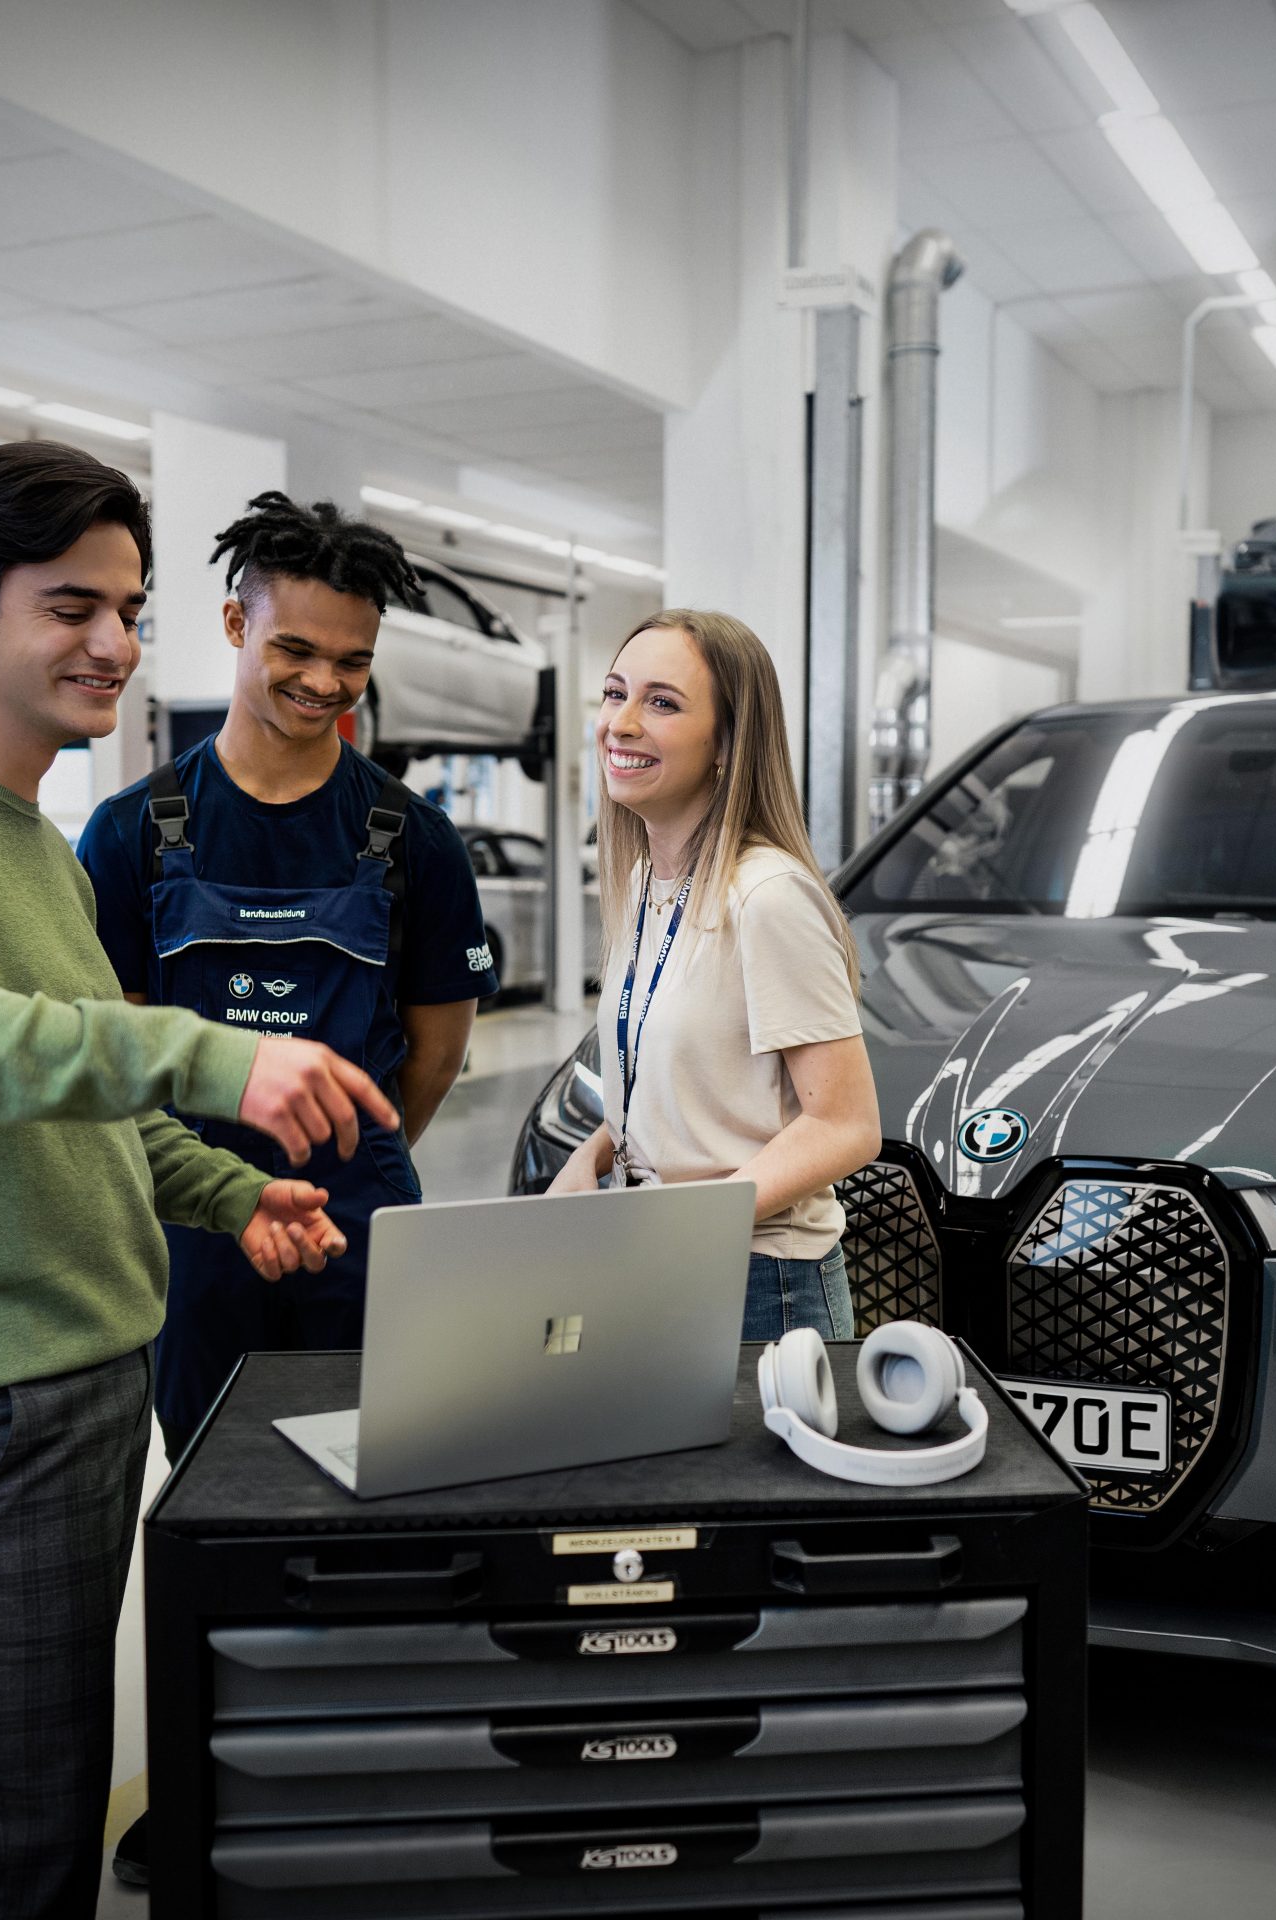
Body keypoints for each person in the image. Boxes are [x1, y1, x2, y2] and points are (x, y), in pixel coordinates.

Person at [0, 442, 397, 1920]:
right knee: (27, 1813)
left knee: (3, 1769)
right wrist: (210, 1057)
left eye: (129, 607)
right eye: (71, 606)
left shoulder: (36, 848)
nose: (115, 643)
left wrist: (235, 1194)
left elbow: (79, 1094)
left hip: (73, 1365)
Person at [80, 490, 498, 1462]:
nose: (325, 682)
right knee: (212, 1476)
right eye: (297, 651)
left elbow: (435, 1056)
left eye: (353, 661)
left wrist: (352, 1155)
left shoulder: (414, 841)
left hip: (361, 1229)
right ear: (236, 623)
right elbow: (117, 1053)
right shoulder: (133, 833)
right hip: (191, 1236)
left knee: (381, 1465)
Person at [547, 608, 881, 1342]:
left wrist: (686, 1228)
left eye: (661, 703)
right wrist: (592, 1153)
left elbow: (848, 1126)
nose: (621, 723)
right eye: (614, 694)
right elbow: (675, 1087)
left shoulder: (765, 896)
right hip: (663, 1254)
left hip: (760, 1280)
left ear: (727, 743)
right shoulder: (645, 885)